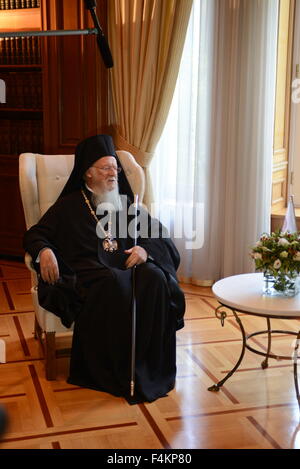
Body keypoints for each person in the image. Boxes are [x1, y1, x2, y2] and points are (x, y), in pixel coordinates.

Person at [23, 135, 185, 404]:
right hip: (90, 271)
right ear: (88, 173)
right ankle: (112, 371)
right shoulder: (69, 206)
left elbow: (159, 234)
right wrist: (45, 251)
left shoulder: (125, 203)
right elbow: (36, 234)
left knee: (156, 278)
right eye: (106, 168)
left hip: (128, 263)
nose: (114, 173)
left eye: (115, 169)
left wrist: (145, 251)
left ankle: (149, 366)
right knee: (115, 284)